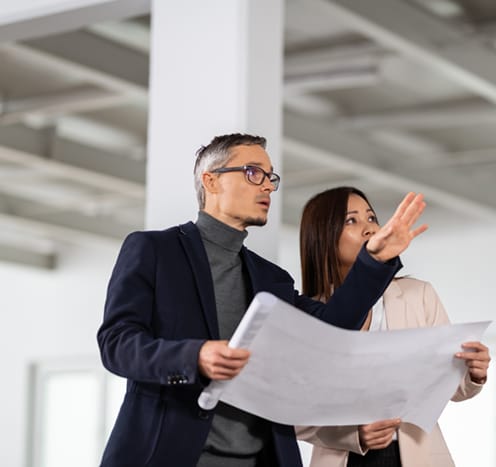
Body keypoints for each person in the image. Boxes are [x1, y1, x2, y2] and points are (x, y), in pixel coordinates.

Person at [97, 134, 428, 467]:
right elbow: (117, 344)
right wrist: (194, 356)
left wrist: (375, 260)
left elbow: (333, 328)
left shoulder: (271, 278)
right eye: (253, 173)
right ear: (211, 181)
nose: (268, 187)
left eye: (271, 178)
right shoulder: (154, 251)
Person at [295, 186, 490, 467]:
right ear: (322, 236)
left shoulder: (418, 295)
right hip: (346, 459)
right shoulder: (308, 315)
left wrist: (473, 373)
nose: (369, 229)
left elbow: (454, 389)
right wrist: (354, 434)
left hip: (417, 454)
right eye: (352, 220)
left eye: (371, 218)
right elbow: (293, 416)